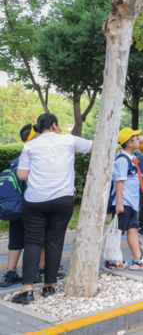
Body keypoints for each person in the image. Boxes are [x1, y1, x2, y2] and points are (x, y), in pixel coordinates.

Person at [13, 113, 93, 304]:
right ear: (55, 126)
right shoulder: (68, 140)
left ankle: (28, 290)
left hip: (35, 200)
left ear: (39, 129)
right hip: (62, 199)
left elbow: (22, 174)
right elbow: (93, 146)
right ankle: (49, 286)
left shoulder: (30, 145)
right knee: (55, 241)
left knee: (32, 242)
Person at [106, 128, 143, 271]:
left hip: (131, 202)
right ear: (129, 143)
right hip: (124, 202)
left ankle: (137, 260)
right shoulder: (121, 159)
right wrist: (119, 203)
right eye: (136, 139)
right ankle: (110, 261)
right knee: (117, 231)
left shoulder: (130, 157)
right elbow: (119, 182)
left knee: (133, 229)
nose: (139, 140)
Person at [1, 124, 38, 288]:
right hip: (30, 205)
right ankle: (38, 272)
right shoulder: (33, 159)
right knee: (36, 240)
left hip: (15, 207)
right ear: (35, 137)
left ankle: (10, 274)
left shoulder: (15, 161)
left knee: (16, 239)